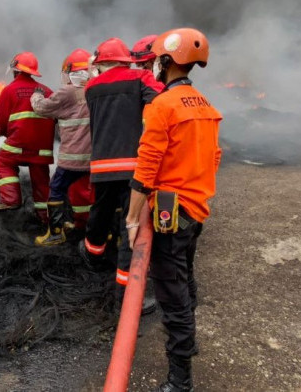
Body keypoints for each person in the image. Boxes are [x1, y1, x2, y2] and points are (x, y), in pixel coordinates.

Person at [124, 28, 222, 392]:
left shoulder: (162, 106)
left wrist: (133, 218)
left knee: (172, 293)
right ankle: (189, 339)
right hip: (196, 210)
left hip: (170, 214)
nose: (153, 66)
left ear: (166, 60)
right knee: (186, 277)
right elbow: (214, 158)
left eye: (156, 60)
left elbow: (146, 167)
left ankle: (180, 381)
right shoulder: (206, 106)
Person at [78, 37, 163, 311]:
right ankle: (126, 295)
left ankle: (93, 254)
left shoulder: (91, 87)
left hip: (101, 166)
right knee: (132, 226)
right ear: (126, 60)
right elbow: (162, 99)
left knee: (100, 214)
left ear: (100, 64)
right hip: (132, 166)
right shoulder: (140, 79)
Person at [30, 48, 93, 246]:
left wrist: (36, 96)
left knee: (56, 189)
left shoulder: (68, 91)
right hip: (95, 158)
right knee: (97, 193)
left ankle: (55, 233)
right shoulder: (95, 89)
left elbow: (42, 108)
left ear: (69, 72)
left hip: (73, 158)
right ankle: (97, 230)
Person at [0, 52, 56, 229]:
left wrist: (1, 131)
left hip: (18, 145)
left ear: (15, 71)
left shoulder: (9, 90)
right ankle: (46, 218)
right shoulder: (47, 91)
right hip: (42, 148)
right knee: (41, 181)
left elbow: (2, 121)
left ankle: (10, 199)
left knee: (2, 160)